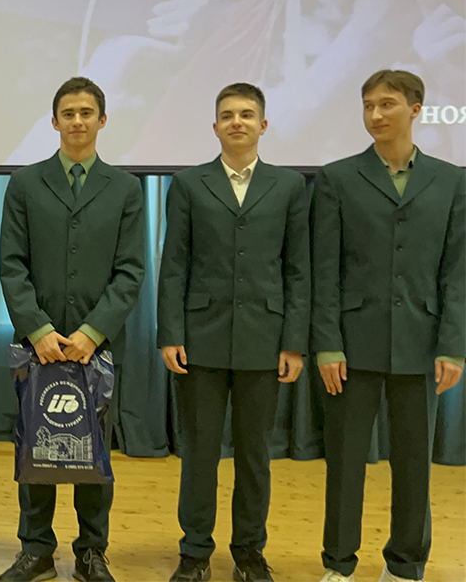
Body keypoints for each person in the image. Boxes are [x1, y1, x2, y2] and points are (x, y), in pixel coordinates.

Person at [312, 70, 464, 582]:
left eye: (388, 104)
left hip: (421, 340)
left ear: (416, 109)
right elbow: (324, 268)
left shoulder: (451, 180)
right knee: (346, 461)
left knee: (414, 462)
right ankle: (339, 564)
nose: (376, 115)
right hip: (351, 343)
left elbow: (457, 271)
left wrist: (453, 346)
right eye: (368, 105)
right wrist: (327, 343)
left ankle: (405, 564)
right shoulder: (337, 178)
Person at [157, 83, 310, 582]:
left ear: (263, 125)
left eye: (246, 114)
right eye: (227, 115)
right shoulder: (188, 184)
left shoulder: (289, 186)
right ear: (215, 126)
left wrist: (294, 342)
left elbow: (298, 269)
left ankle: (248, 552)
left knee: (254, 455)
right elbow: (174, 264)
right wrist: (170, 333)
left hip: (265, 339)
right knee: (199, 453)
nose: (236, 122)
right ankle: (194, 552)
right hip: (199, 338)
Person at [0, 76, 146, 582]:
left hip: (94, 347)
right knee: (35, 445)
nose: (77, 121)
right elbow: (12, 265)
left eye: (86, 113)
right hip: (36, 345)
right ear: (54, 120)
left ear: (102, 120)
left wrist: (93, 331)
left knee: (93, 450)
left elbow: (131, 271)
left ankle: (91, 551)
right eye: (68, 113)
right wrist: (37, 329)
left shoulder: (125, 188)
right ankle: (36, 549)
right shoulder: (25, 183)